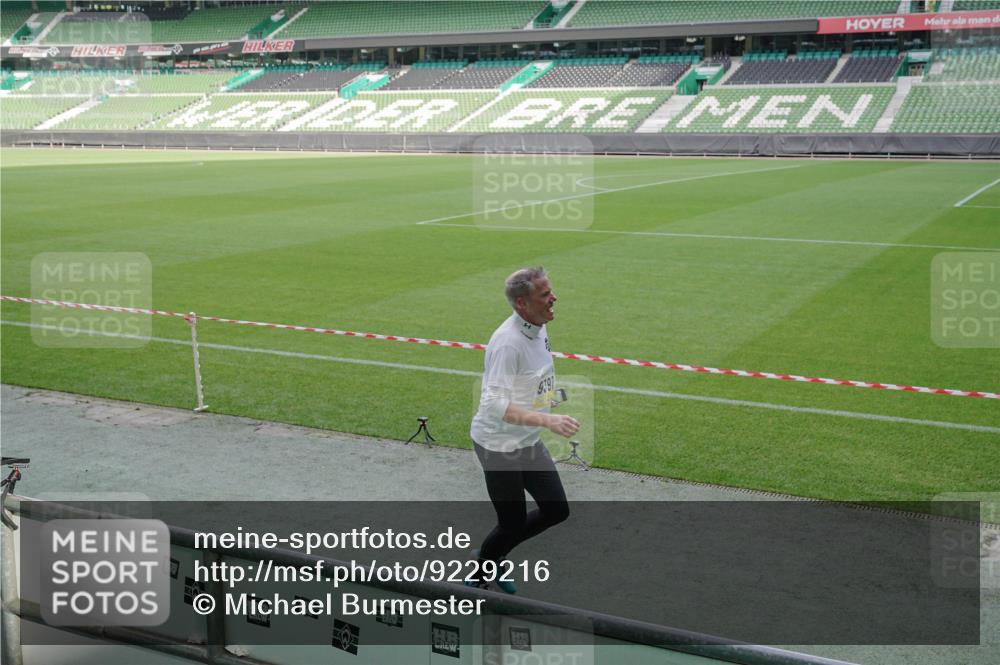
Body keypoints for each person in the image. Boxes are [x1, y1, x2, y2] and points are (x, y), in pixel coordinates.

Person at [468, 266, 579, 592]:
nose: (553, 297)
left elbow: (533, 375)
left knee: (556, 510)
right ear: (522, 304)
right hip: (498, 446)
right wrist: (548, 420)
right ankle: (479, 576)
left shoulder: (539, 326)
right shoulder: (507, 344)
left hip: (526, 440)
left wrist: (547, 401)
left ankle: (492, 556)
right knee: (512, 523)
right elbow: (493, 405)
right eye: (544, 294)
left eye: (550, 290)